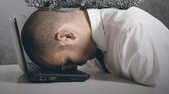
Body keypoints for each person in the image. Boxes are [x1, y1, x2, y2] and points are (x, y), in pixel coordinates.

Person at [21, 7, 169, 89]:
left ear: (67, 36)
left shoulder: (134, 36)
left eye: (67, 62)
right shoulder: (90, 42)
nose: (74, 66)